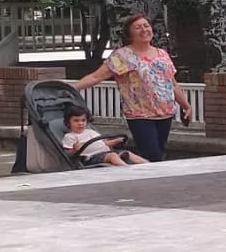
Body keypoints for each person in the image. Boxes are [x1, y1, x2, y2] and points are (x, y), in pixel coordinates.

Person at [72, 13, 189, 161]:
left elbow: (171, 83)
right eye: (138, 27)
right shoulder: (122, 56)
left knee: (158, 152)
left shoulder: (162, 54)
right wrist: (73, 87)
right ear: (130, 33)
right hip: (139, 115)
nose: (144, 30)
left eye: (146, 26)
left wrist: (186, 105)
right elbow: (96, 76)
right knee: (153, 154)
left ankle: (152, 178)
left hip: (165, 113)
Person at [62, 107, 147, 167]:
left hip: (104, 153)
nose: (80, 123)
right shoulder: (70, 136)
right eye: (76, 121)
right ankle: (128, 169)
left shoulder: (91, 132)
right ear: (68, 123)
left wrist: (115, 141)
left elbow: (103, 143)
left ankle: (148, 165)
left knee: (127, 153)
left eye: (83, 120)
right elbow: (68, 154)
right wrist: (74, 150)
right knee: (112, 155)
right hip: (90, 158)